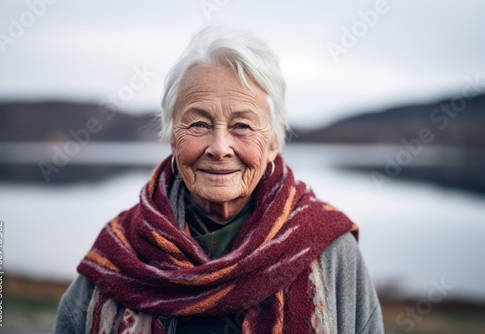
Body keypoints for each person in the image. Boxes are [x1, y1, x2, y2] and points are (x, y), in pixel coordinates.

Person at [54, 26, 384, 333]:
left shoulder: (328, 248)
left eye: (242, 125)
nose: (219, 148)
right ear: (172, 137)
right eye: (198, 124)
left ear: (272, 143)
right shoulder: (120, 252)